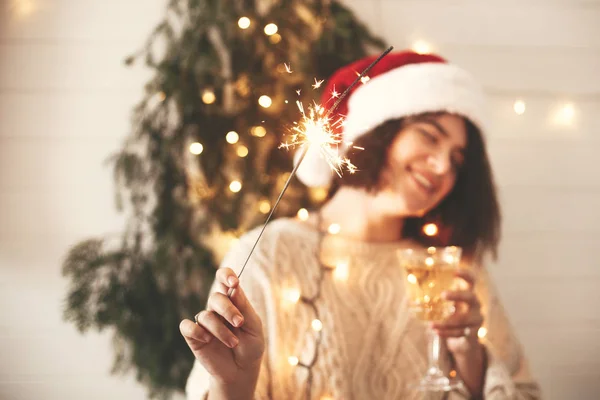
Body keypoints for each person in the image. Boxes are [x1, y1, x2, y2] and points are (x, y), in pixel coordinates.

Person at [179, 50, 542, 400]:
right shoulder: (270, 253)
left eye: (457, 160)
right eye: (429, 136)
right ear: (377, 130)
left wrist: (470, 358)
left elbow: (525, 393)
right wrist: (232, 385)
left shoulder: (451, 266)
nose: (444, 167)